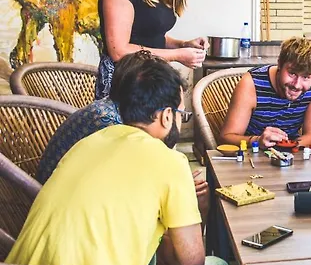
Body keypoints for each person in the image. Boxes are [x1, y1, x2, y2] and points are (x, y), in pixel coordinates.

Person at [7, 52, 232, 265]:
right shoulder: (170, 162)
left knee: (148, 245)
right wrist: (196, 211)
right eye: (181, 114)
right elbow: (192, 264)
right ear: (166, 116)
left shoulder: (87, 144)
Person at [36, 51, 209, 218]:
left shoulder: (111, 110)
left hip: (53, 207)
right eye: (180, 113)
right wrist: (178, 189)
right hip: (64, 209)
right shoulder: (113, 128)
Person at [220, 36, 311, 148]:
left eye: (306, 77)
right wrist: (257, 140)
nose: (297, 85)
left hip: (292, 152)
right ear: (279, 64)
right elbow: (226, 138)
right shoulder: (251, 83)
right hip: (252, 152)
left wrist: (288, 147)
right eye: (292, 73)